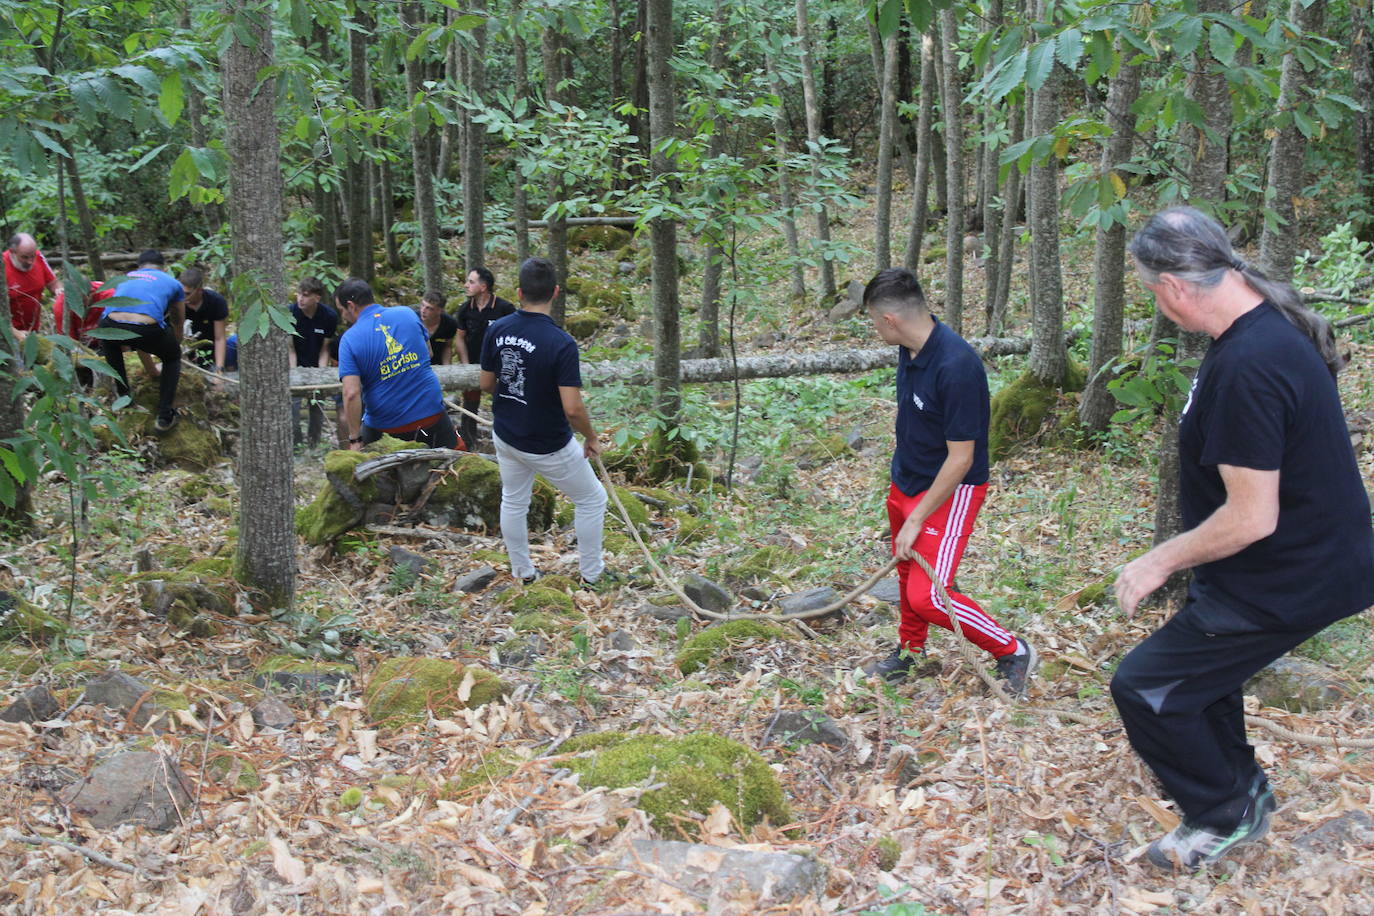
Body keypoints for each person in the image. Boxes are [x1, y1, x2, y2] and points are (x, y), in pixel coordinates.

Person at [1111, 206, 1374, 870]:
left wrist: (1158, 561)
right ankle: (1244, 791)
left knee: (1144, 688)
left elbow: (1252, 516)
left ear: (1172, 288)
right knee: (1203, 675)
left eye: (1149, 289)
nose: (1155, 301)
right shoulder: (1258, 323)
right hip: (1283, 566)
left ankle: (1223, 816)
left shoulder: (1249, 365)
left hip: (1290, 576)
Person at [860, 268, 1035, 692]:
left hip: (950, 492)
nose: (872, 327)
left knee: (930, 595)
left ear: (890, 320)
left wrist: (919, 516)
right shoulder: (911, 348)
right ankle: (909, 651)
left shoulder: (957, 367)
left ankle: (1013, 650)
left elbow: (961, 460)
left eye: (871, 319)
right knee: (906, 573)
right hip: (908, 479)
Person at [480, 257, 608, 586]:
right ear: (555, 292)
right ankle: (593, 575)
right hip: (546, 443)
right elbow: (573, 409)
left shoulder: (497, 329)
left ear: (519, 292)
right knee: (593, 498)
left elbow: (485, 384)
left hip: (507, 434)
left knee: (514, 499)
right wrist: (591, 437)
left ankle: (522, 571)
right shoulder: (560, 343)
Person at [335, 277, 458, 451]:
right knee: (455, 456)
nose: (342, 315)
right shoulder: (407, 313)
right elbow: (428, 352)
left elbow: (351, 393)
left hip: (386, 425)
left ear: (351, 306)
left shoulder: (349, 339)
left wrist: (355, 439)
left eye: (341, 310)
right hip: (431, 413)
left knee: (365, 468)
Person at [98, 249, 185, 433]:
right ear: (163, 268)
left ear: (139, 267)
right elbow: (178, 320)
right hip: (146, 328)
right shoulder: (172, 282)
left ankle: (124, 398)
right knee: (172, 358)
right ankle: (164, 416)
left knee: (111, 346)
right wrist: (175, 343)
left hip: (109, 323)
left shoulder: (127, 276)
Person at [456, 267, 515, 447]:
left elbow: (515, 336)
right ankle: (468, 443)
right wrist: (466, 365)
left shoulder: (505, 308)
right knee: (470, 405)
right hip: (474, 366)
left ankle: (509, 441)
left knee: (504, 402)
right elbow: (459, 337)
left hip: (500, 367)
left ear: (484, 286)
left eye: (471, 282)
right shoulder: (465, 309)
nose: (466, 285)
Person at [287, 277, 338, 447]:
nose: (300, 299)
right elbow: (290, 349)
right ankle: (295, 444)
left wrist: (320, 375)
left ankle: (313, 444)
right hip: (294, 367)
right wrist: (294, 374)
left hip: (317, 366)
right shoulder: (289, 314)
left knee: (317, 407)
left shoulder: (329, 316)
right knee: (292, 409)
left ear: (317, 298)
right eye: (298, 294)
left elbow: (325, 349)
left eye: (305, 295)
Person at [4, 233, 63, 338]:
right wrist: (15, 333)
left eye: (33, 256)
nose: (30, 261)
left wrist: (59, 291)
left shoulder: (39, 257)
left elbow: (53, 283)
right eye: (25, 257)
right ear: (12, 252)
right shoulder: (2, 267)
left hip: (33, 330)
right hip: (7, 334)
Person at [178, 267, 229, 372]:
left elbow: (220, 338)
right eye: (181, 292)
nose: (183, 297)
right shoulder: (176, 302)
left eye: (187, 293)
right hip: (185, 357)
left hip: (211, 356)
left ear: (199, 290)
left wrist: (219, 370)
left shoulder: (216, 301)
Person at [420, 290, 459, 365]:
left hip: (438, 363)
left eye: (429, 308)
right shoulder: (413, 319)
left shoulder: (449, 323)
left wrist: (447, 367)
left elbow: (447, 346)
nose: (423, 310)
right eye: (422, 305)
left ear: (439, 311)